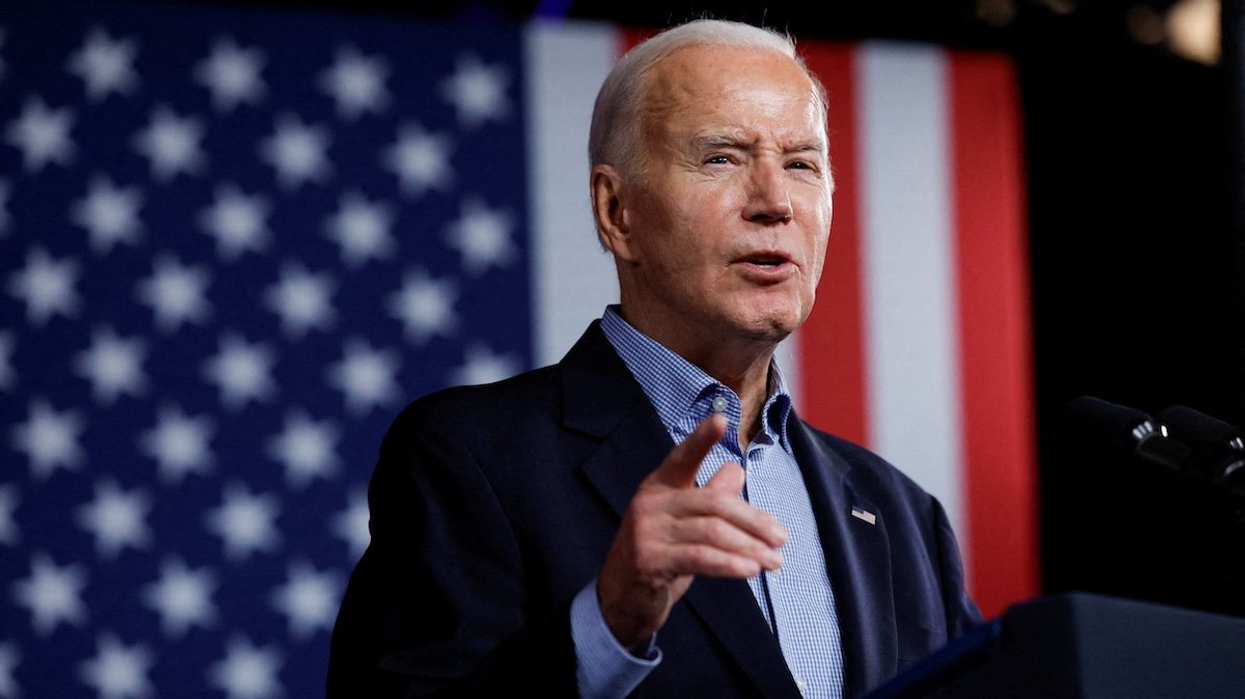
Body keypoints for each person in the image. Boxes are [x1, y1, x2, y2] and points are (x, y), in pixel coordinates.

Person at [327, 19, 980, 699]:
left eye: (801, 163)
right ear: (617, 212)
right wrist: (605, 625)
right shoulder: (472, 456)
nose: (775, 202)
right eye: (722, 157)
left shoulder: (903, 514)